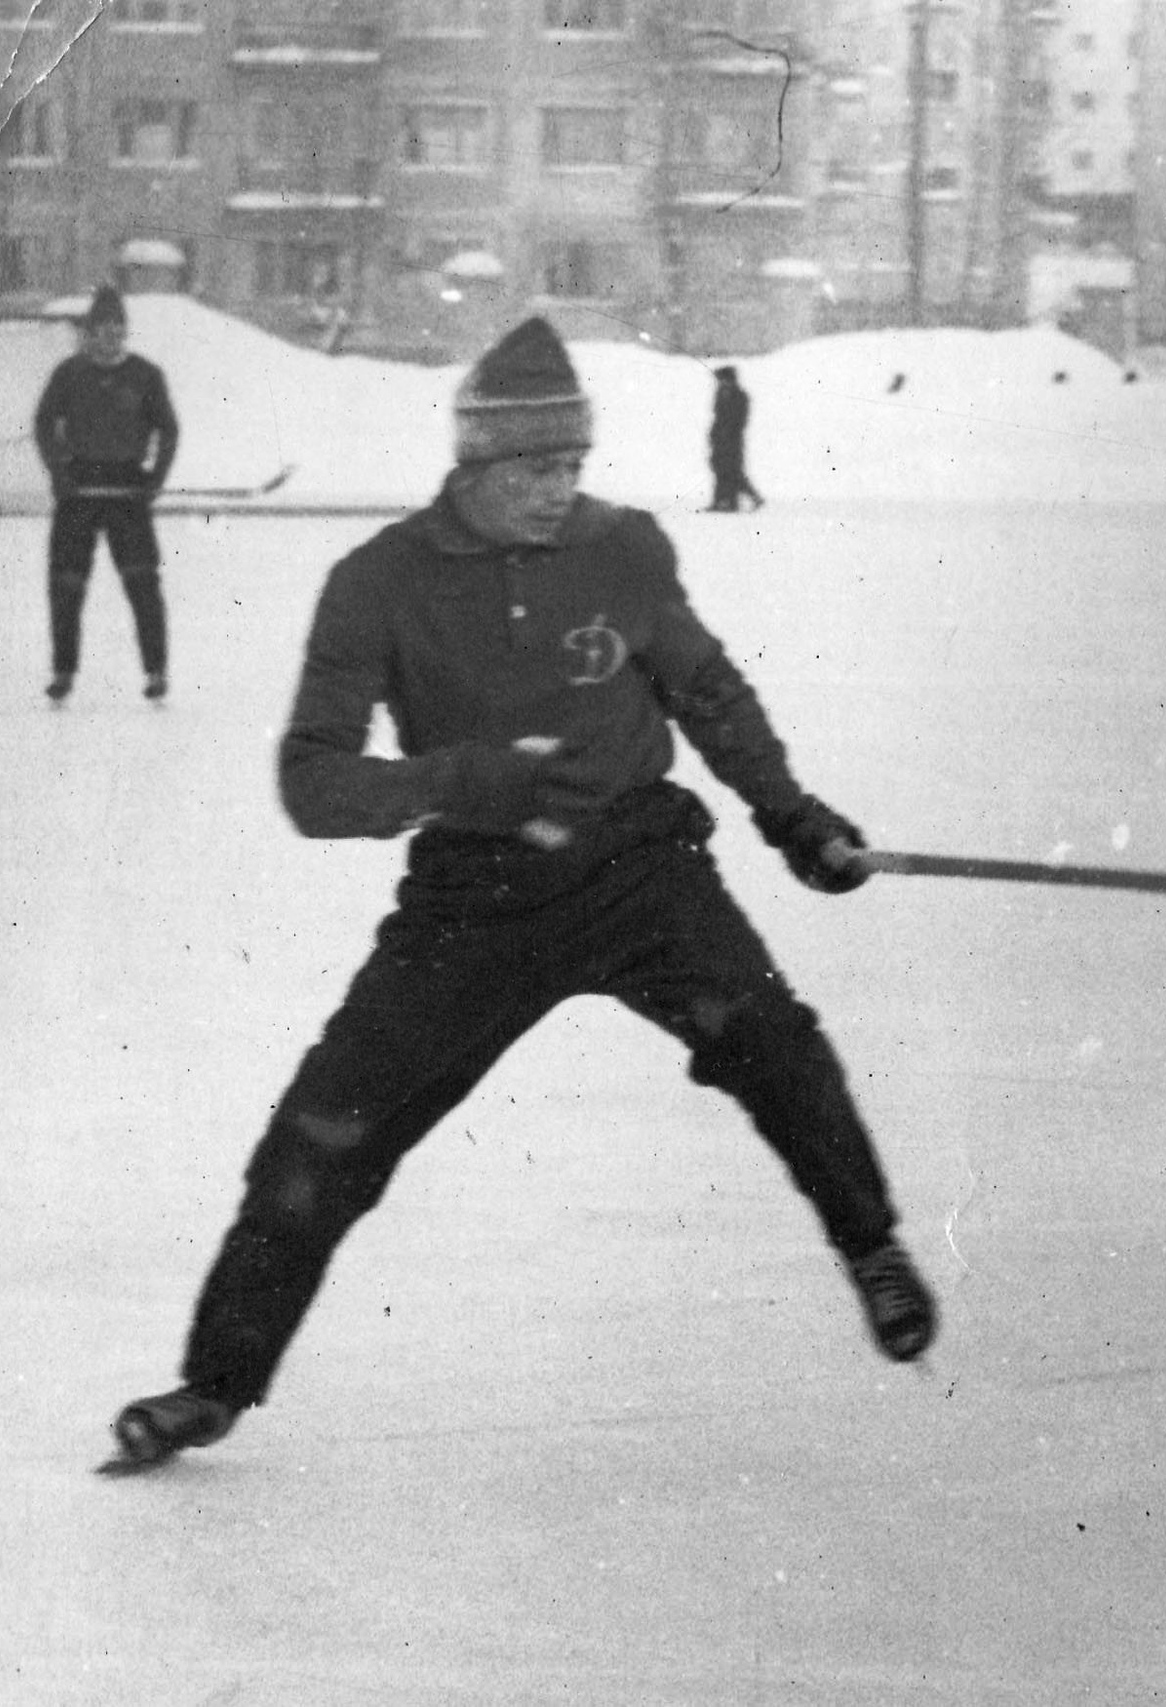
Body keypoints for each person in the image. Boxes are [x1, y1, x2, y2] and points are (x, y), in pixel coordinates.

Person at [101, 319, 935, 1473]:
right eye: (535, 469)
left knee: (775, 1045)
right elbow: (312, 785)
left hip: (641, 870)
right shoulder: (377, 584)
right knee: (325, 1130)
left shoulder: (627, 551)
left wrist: (788, 813)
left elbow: (707, 693)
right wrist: (459, 781)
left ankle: (873, 1245)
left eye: (572, 466)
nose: (560, 491)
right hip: (473, 898)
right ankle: (215, 1382)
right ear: (474, 466)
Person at [33, 283, 179, 703]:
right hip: (78, 491)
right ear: (88, 333)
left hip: (127, 492)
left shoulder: (145, 375)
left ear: (125, 331)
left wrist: (155, 479)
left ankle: (156, 672)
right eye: (100, 329)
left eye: (117, 329)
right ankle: (63, 671)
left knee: (143, 585)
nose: (108, 337)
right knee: (66, 584)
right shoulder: (69, 373)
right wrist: (59, 473)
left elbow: (168, 429)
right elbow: (44, 423)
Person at [706, 365, 762, 512]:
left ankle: (740, 500)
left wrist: (727, 433)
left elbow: (739, 420)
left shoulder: (740, 396)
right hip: (719, 440)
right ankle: (721, 501)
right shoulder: (720, 394)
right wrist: (713, 435)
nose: (719, 382)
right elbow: (718, 418)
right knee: (720, 470)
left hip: (733, 441)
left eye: (722, 379)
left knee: (732, 472)